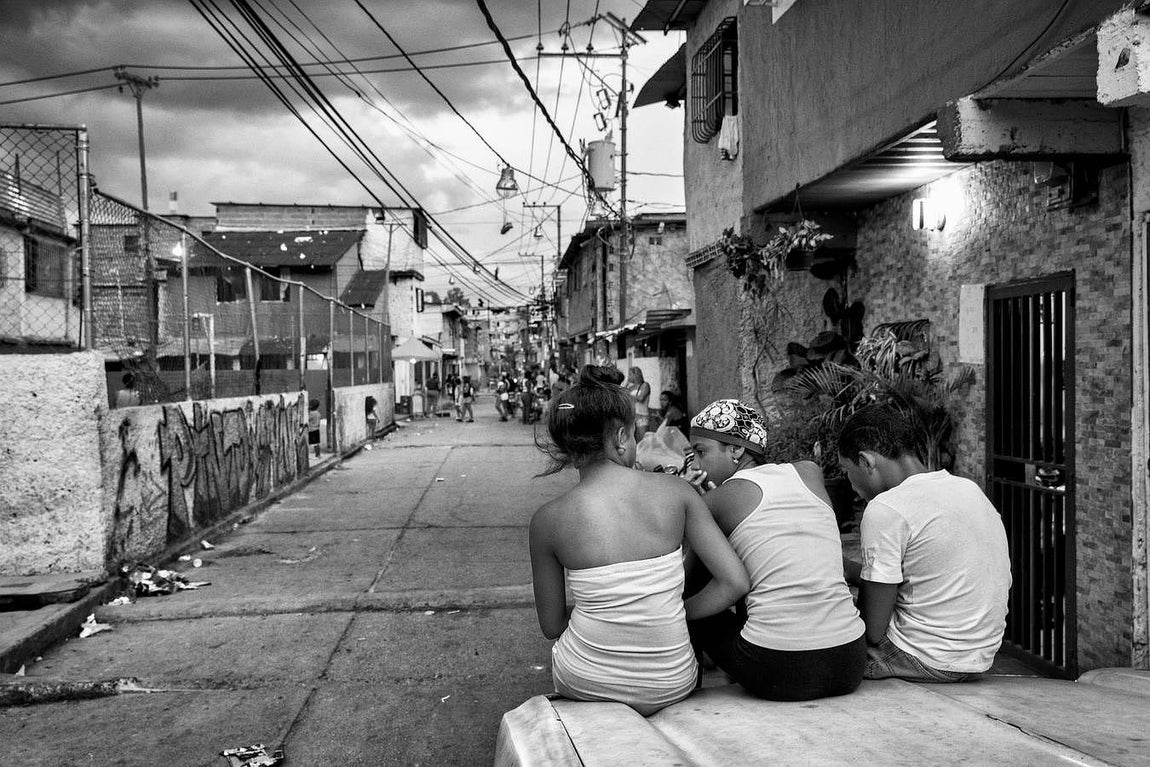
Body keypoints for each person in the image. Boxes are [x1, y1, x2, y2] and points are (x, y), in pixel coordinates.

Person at [530, 366, 749, 716]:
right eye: (633, 435)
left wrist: (611, 612)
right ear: (621, 438)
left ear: (567, 446)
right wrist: (669, 612)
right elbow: (735, 582)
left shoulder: (547, 521)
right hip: (672, 680)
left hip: (585, 680)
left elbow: (552, 625)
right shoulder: (677, 492)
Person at [684, 399, 866, 701]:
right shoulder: (809, 472)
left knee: (695, 603)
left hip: (776, 669)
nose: (697, 466)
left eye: (701, 453)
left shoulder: (718, 501)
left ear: (736, 450)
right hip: (849, 661)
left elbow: (689, 580)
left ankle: (688, 689)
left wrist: (676, 614)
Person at [837, 404, 1011, 682]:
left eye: (847, 470)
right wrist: (850, 570)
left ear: (866, 461)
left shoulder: (887, 508)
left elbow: (873, 629)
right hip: (977, 655)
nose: (850, 484)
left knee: (818, 630)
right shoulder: (968, 489)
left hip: (921, 657)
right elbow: (925, 577)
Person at [626, 367, 651, 441]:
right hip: (632, 416)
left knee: (643, 440)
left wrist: (629, 395)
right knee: (632, 441)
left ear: (636, 375)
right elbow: (623, 395)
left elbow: (641, 398)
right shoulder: (631, 387)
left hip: (642, 416)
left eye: (630, 374)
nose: (629, 376)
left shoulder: (645, 385)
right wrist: (626, 383)